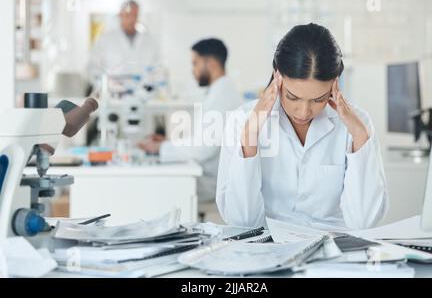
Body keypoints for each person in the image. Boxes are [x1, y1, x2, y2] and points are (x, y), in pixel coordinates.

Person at [216, 23, 388, 230]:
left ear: (335, 83)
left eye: (318, 99)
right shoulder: (243, 120)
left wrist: (360, 136)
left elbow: (364, 221)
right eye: (292, 97)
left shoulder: (357, 124)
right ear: (277, 76)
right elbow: (242, 222)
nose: (303, 111)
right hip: (268, 249)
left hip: (333, 249)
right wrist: (251, 135)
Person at [138, 38, 242, 204]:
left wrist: (161, 148)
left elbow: (203, 149)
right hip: (208, 172)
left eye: (195, 63)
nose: (193, 70)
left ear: (211, 63)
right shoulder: (219, 91)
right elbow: (203, 140)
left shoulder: (222, 96)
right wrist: (169, 142)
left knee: (152, 186)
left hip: (211, 181)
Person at [87, 0, 159, 82]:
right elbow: (93, 69)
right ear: (121, 15)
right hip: (113, 93)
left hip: (143, 92)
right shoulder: (105, 39)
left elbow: (157, 68)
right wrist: (106, 85)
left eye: (135, 15)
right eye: (128, 15)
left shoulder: (149, 41)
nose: (132, 19)